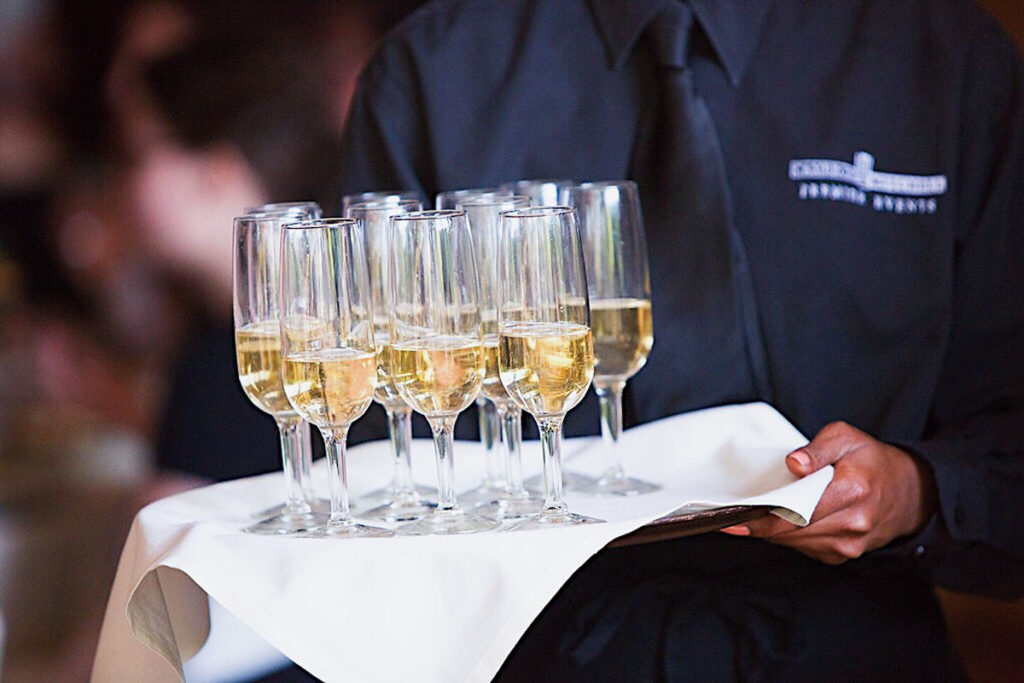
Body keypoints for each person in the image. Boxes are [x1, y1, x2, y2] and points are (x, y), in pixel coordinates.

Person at [338, 0, 1024, 678]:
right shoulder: (432, 69)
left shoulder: (943, 54)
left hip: (860, 647)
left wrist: (916, 490)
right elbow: (385, 449)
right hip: (546, 651)